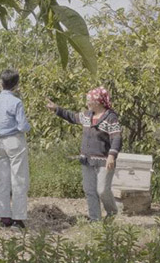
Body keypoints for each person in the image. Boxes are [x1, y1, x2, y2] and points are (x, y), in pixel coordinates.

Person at [47, 87, 121, 222]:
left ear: (98, 102)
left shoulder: (110, 118)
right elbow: (72, 117)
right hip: (87, 160)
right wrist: (57, 109)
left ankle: (112, 213)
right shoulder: (87, 115)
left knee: (102, 190)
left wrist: (112, 155)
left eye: (89, 100)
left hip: (104, 161)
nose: (87, 103)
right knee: (90, 191)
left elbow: (116, 137)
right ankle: (95, 221)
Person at [0, 69, 30, 228]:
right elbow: (22, 126)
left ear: (1, 83)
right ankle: (18, 219)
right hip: (14, 140)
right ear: (16, 85)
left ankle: (4, 216)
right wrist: (28, 127)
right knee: (19, 179)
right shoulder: (16, 102)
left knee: (2, 179)